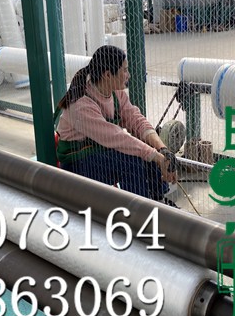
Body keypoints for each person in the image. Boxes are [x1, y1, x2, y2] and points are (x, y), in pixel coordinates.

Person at [55, 45, 177, 202]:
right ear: (107, 75)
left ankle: (159, 201)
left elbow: (136, 119)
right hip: (78, 163)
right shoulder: (81, 104)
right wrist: (156, 157)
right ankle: (138, 210)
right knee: (133, 162)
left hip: (101, 151)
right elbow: (116, 137)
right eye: (124, 70)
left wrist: (163, 150)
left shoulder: (115, 92)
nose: (128, 75)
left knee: (148, 154)